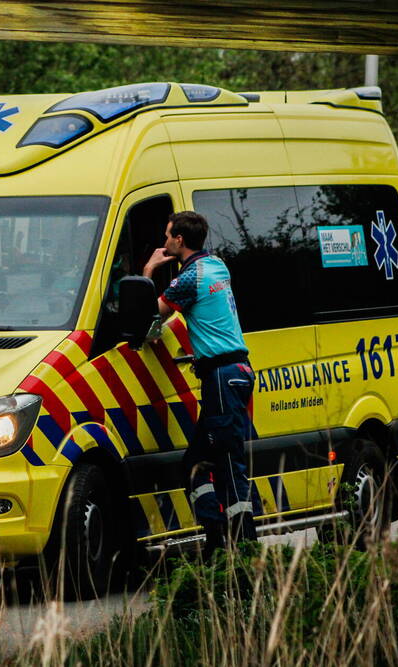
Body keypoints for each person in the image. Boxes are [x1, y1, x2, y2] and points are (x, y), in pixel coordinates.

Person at [143, 211, 258, 554]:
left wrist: (149, 271)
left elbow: (151, 320)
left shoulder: (190, 279)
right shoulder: (217, 266)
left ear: (179, 240)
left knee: (225, 462)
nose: (163, 243)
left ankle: (242, 547)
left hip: (222, 376)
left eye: (167, 236)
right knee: (197, 463)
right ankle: (215, 539)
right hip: (236, 372)